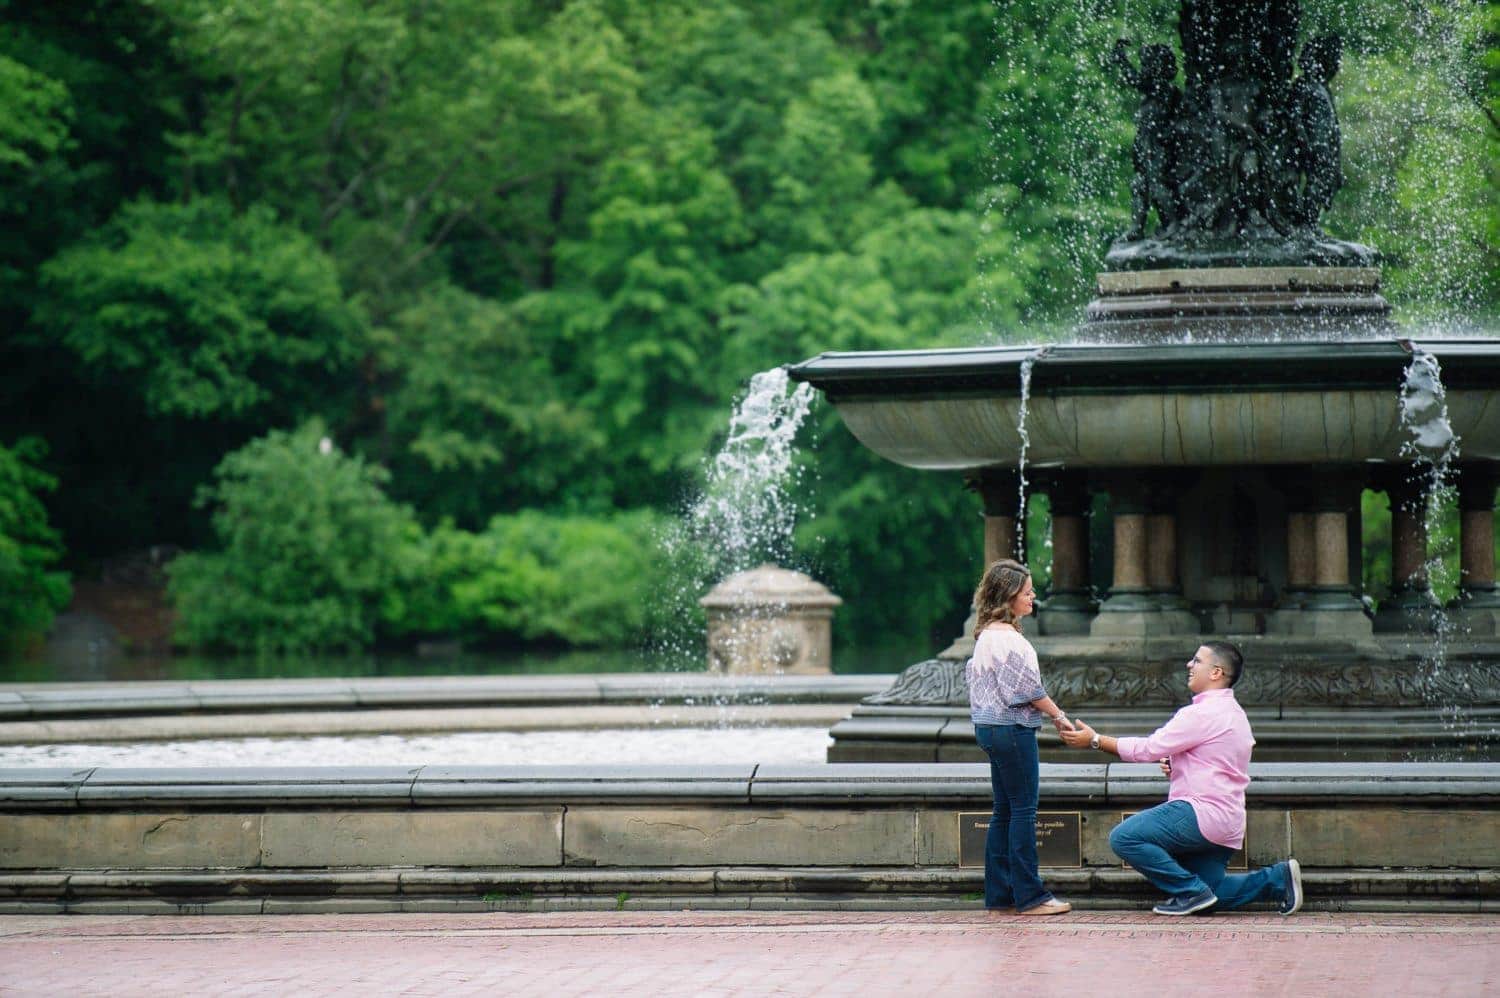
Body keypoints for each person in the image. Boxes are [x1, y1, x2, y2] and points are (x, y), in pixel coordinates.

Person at [1058, 641, 1304, 916]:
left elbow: (1148, 749)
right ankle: (1277, 878)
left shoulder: (1201, 713)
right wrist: (1178, 766)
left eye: (1197, 661)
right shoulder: (1234, 713)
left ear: (1216, 673)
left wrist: (1095, 740)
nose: (1189, 664)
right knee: (1214, 893)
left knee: (1124, 837)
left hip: (1201, 814)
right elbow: (1217, 763)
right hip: (1227, 824)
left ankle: (1189, 891)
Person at [966, 558, 1075, 915]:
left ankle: (999, 894)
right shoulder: (1011, 641)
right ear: (1009, 596)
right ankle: (1031, 896)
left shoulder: (985, 636)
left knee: (1004, 811)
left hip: (988, 728)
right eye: (1027, 592)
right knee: (1024, 811)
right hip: (1013, 730)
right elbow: (1026, 690)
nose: (1033, 597)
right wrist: (1059, 716)